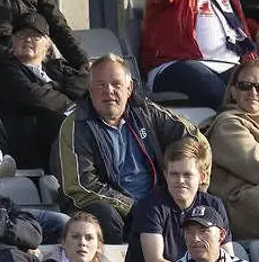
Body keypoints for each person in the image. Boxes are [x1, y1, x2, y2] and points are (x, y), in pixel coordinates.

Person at [52, 55, 197, 244]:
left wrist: (195, 188)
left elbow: (193, 138)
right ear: (90, 90)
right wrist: (133, 207)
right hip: (115, 211)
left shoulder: (146, 112)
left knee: (206, 206)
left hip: (156, 204)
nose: (108, 91)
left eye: (116, 84)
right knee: (104, 216)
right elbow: (81, 185)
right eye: (100, 85)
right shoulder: (75, 125)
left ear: (129, 89)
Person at [122, 138, 225, 262]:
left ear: (202, 177)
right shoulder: (150, 205)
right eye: (174, 174)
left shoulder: (213, 205)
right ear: (165, 175)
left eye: (187, 175)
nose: (180, 181)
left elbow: (227, 256)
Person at [141, 0, 259, 108]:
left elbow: (227, 16)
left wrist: (255, 29)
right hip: (176, 63)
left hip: (227, 63)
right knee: (220, 93)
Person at [0, 13, 87, 172]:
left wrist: (56, 87)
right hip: (30, 143)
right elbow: (33, 96)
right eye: (22, 35)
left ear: (47, 45)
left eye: (35, 36)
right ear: (13, 41)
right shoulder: (5, 70)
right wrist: (70, 102)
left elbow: (86, 83)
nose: (28, 39)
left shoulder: (57, 68)